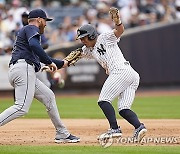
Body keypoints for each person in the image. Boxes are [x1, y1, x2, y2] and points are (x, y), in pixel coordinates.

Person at [0, 9, 80, 143]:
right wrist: (50, 61)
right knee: (21, 107)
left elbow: (35, 53)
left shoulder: (25, 31)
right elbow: (34, 45)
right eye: (45, 21)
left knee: (49, 96)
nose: (46, 24)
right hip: (23, 69)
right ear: (39, 20)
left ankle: (62, 133)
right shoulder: (31, 28)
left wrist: (62, 63)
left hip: (22, 69)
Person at [76, 7, 147, 142]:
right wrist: (59, 63)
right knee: (124, 109)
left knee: (103, 100)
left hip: (121, 71)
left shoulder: (104, 37)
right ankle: (139, 127)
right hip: (130, 75)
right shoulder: (88, 49)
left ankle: (114, 129)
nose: (82, 41)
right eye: (80, 38)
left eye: (83, 38)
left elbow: (119, 31)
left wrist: (118, 21)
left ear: (91, 35)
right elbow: (74, 57)